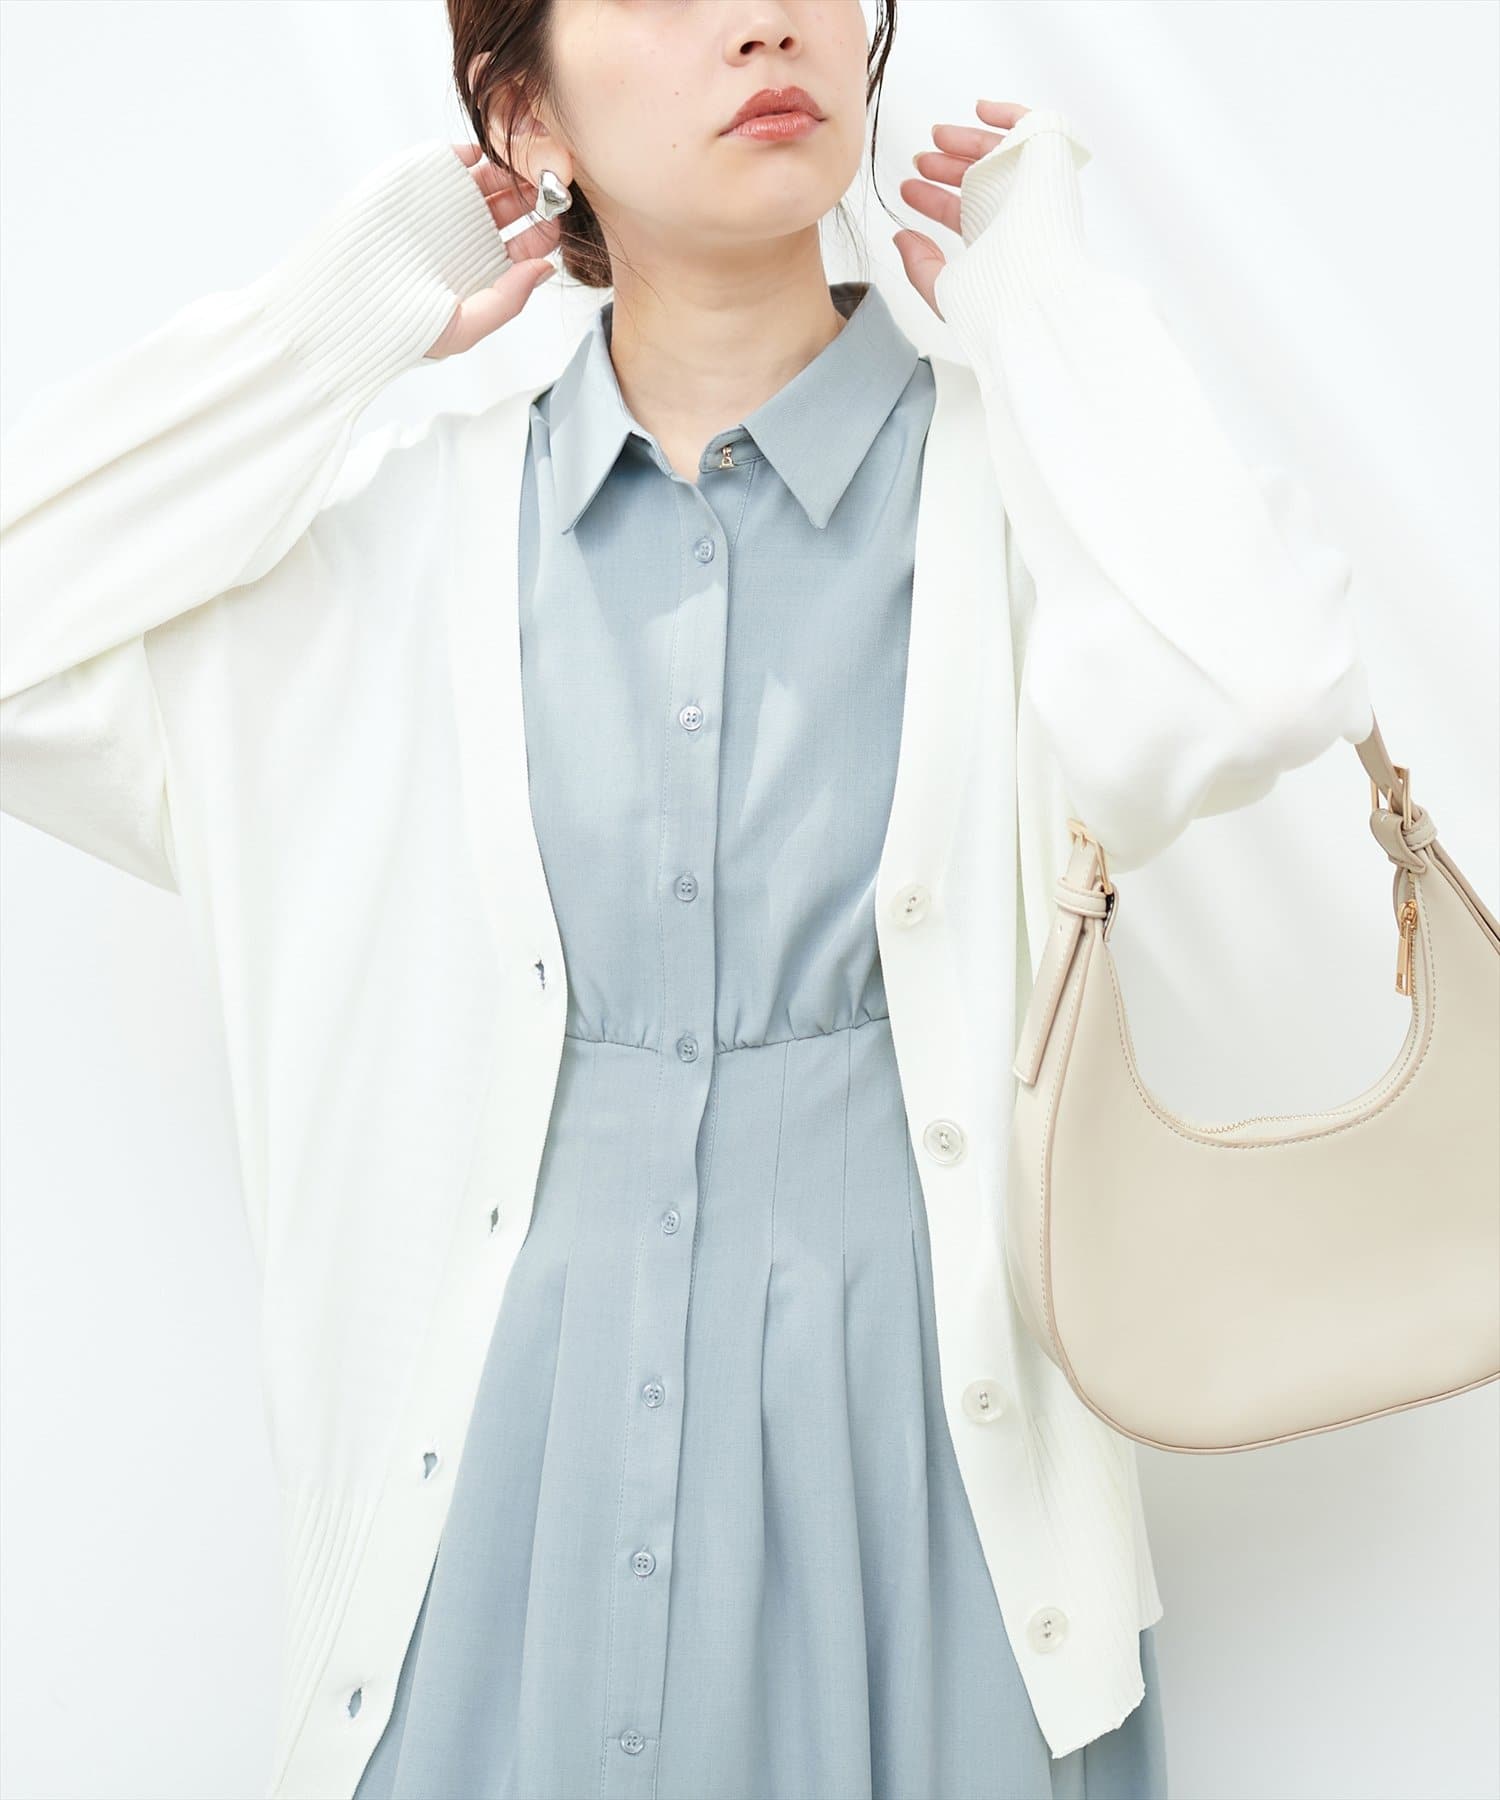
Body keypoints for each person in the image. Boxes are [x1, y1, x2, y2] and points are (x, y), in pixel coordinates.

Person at [0, 2, 1373, 1796]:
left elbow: (1263, 687)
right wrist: (340, 326)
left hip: (938, 1544)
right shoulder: (397, 563)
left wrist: (1054, 315)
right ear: (526, 112)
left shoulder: (1018, 507)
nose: (764, 21)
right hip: (494, 1553)